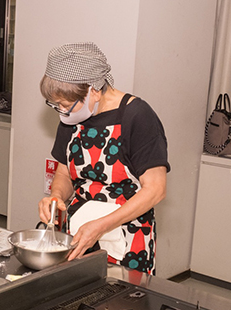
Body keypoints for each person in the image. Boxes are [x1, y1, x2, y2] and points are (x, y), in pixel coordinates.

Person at [38, 42, 169, 275]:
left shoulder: (137, 116)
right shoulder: (72, 117)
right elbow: (64, 172)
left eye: (65, 105)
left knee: (122, 307)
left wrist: (103, 226)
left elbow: (155, 190)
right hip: (80, 231)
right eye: (56, 105)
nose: (62, 112)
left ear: (94, 91)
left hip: (128, 235)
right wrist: (56, 197)